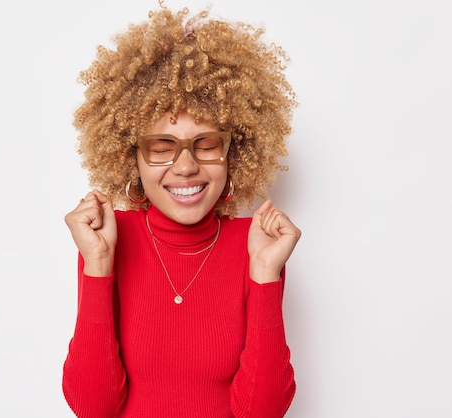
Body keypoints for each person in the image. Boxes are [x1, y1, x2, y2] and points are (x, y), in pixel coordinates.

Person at [62, 3, 301, 417]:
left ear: (234, 151)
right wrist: (97, 263)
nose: (186, 166)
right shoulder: (105, 238)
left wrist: (264, 274)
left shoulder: (258, 245)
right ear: (130, 156)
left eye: (206, 144)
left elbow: (262, 412)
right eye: (161, 147)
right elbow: (93, 408)